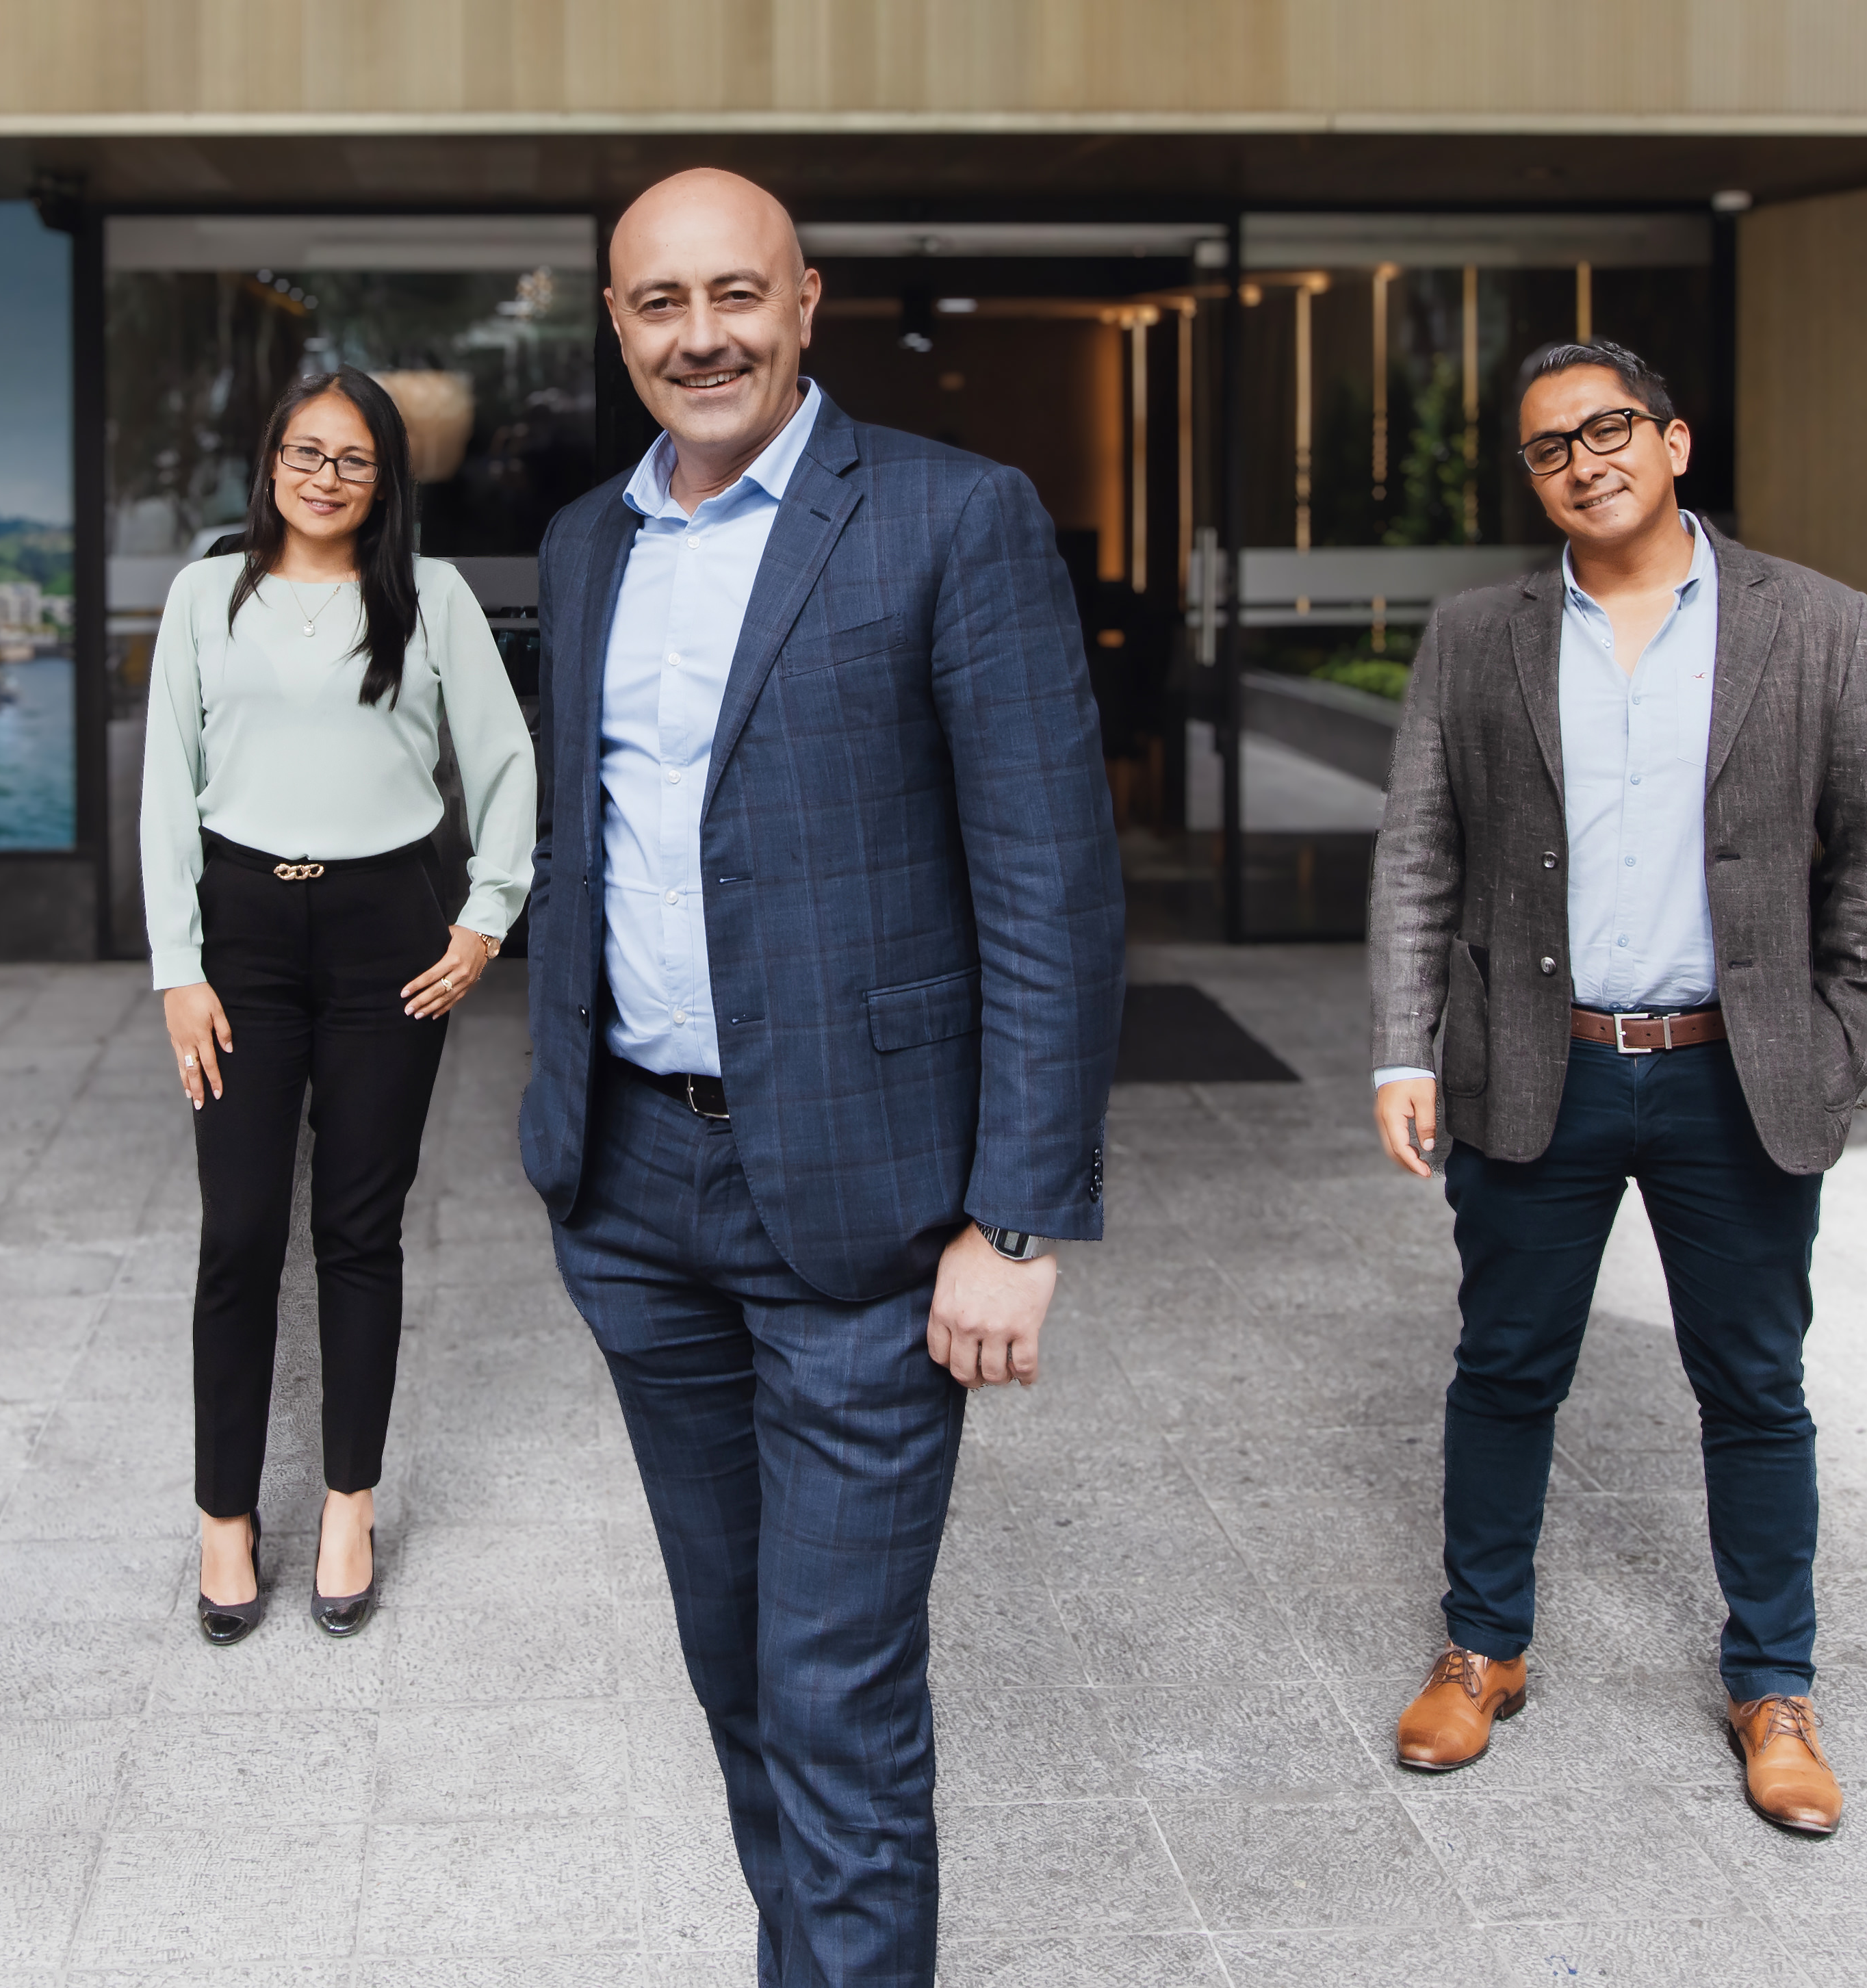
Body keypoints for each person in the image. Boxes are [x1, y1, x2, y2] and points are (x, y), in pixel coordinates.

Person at [519, 169, 1122, 1983]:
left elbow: (1046, 883)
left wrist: (1013, 1213)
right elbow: (595, 840)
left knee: (833, 1694)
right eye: (654, 304)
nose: (696, 334)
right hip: (631, 1193)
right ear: (613, 325)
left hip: (869, 1209)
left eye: (732, 294)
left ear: (804, 302)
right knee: (735, 1668)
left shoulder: (951, 517)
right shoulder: (581, 543)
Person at [1367, 339, 1867, 1834]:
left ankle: (1774, 1684)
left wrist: (1835, 1051)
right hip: (1534, 1068)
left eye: (1608, 428)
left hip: (1732, 1079)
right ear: (1533, 480)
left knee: (1753, 1389)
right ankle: (1483, 1650)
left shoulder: (1818, 624)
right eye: (1549, 447)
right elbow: (1420, 851)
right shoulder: (1477, 635)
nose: (1582, 460)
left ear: (1672, 441)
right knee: (1503, 1369)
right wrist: (1405, 1047)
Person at [142, 368, 534, 1644]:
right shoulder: (207, 594)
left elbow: (505, 756)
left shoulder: (429, 598)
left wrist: (484, 918)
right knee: (238, 1231)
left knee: (360, 1231)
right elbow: (167, 786)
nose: (323, 476)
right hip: (242, 936)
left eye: (352, 460)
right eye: (304, 453)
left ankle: (350, 1502)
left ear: (383, 481)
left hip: (385, 934)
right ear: (269, 463)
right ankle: (224, 1517)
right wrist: (177, 966)